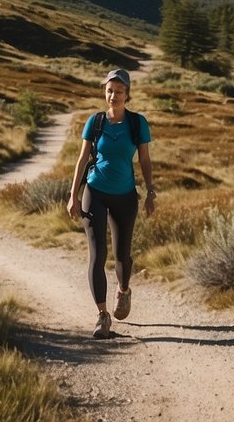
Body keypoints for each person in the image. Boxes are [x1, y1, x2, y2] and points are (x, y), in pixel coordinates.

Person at [67, 68, 156, 339]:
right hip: (95, 191)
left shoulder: (137, 123)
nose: (112, 95)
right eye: (109, 90)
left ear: (127, 94)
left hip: (126, 195)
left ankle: (124, 289)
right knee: (97, 255)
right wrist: (73, 194)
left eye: (118, 91)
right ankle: (102, 316)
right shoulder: (95, 122)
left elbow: (145, 160)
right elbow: (82, 160)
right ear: (104, 92)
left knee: (122, 256)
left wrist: (151, 191)